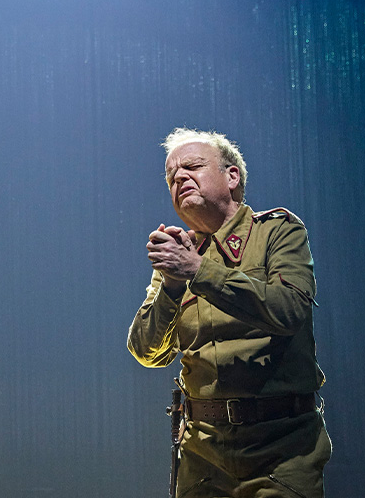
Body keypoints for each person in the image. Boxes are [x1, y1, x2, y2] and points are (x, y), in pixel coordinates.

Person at [128, 128, 331, 498]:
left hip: (281, 451)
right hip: (203, 458)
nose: (179, 178)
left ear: (232, 176)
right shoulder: (178, 255)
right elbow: (147, 352)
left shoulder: (277, 232)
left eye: (192, 167)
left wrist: (198, 271)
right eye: (171, 176)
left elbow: (289, 310)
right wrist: (171, 285)